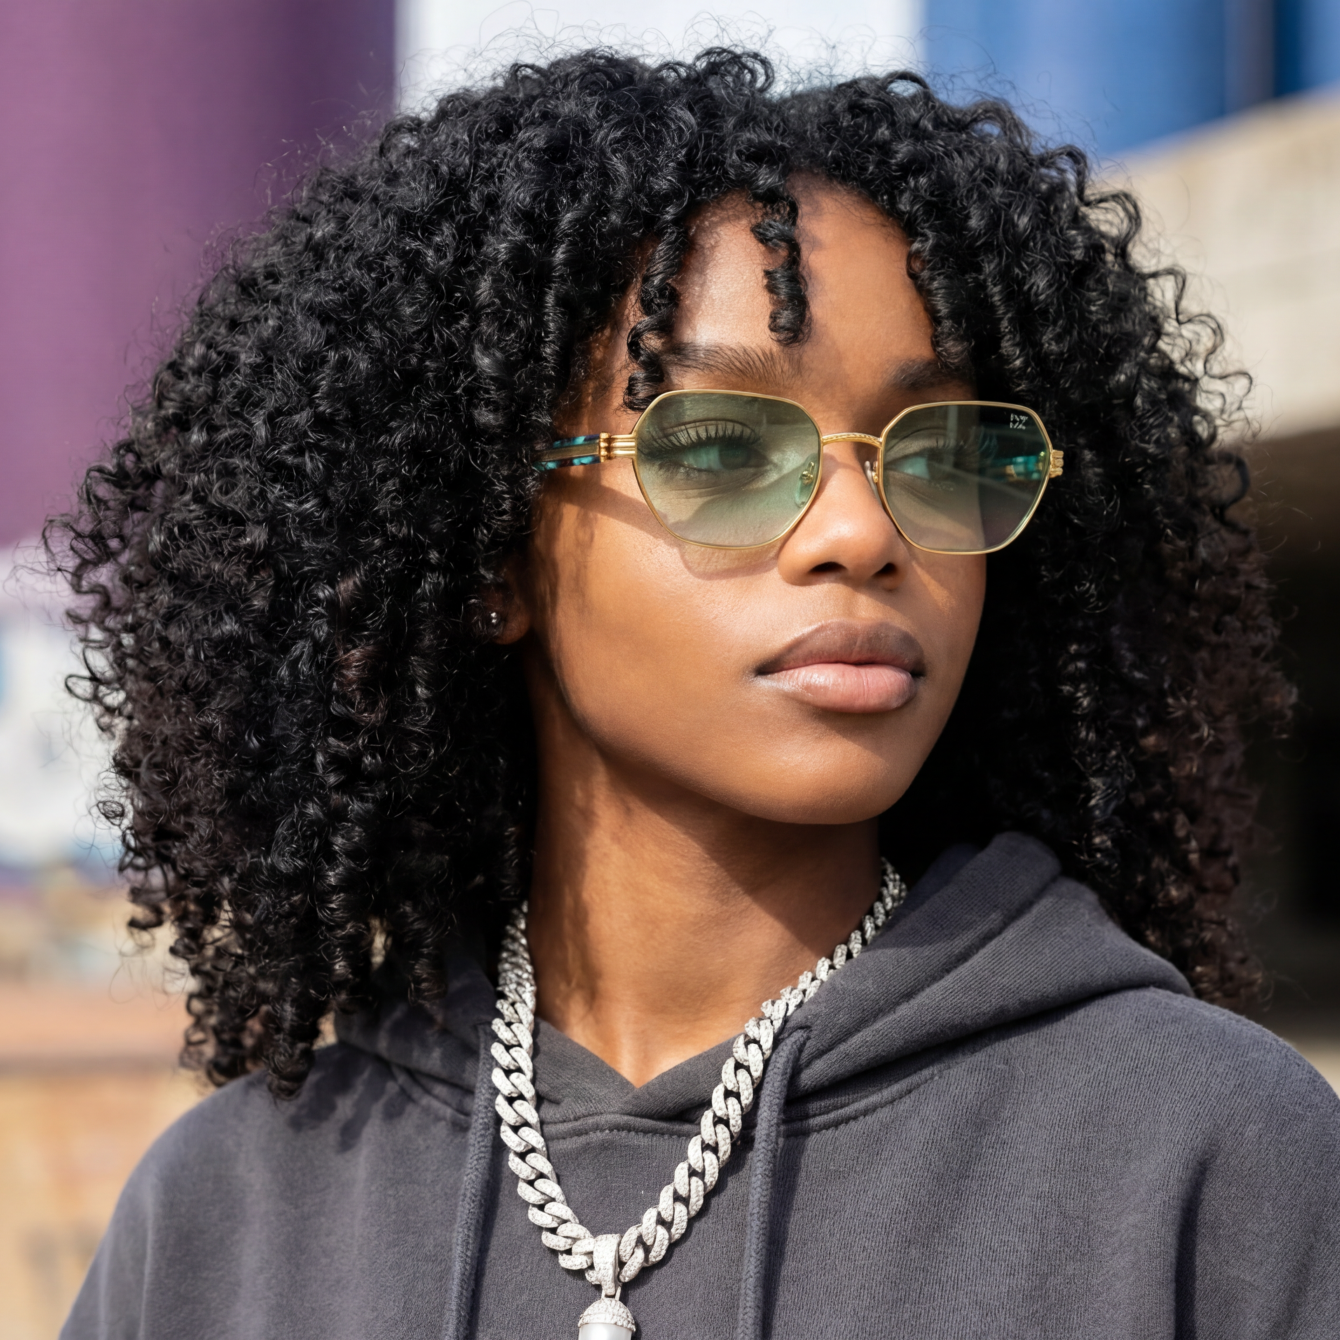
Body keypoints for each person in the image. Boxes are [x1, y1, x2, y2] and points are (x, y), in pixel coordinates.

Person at [54, 48, 1338, 1340]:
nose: (862, 529)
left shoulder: (1210, 1165)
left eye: (939, 452)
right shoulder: (231, 1217)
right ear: (492, 551)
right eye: (725, 445)